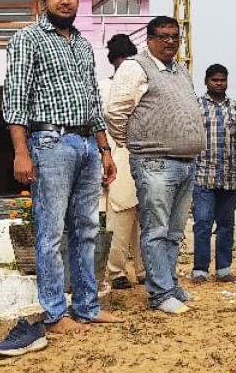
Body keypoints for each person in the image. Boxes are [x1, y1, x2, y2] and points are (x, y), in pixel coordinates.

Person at [0, 0, 121, 356]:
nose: (65, 0)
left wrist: (104, 149)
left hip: (87, 144)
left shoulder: (83, 45)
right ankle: (54, 313)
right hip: (49, 141)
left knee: (87, 228)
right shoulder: (27, 39)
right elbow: (15, 99)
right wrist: (21, 151)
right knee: (50, 232)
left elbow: (93, 102)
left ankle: (87, 306)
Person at [105, 15, 206, 315]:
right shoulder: (135, 67)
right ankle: (160, 294)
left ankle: (169, 284)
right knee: (156, 229)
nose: (170, 41)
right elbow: (115, 112)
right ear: (149, 39)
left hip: (186, 163)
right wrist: (136, 144)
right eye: (163, 36)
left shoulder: (180, 70)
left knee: (174, 232)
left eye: (175, 36)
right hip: (155, 162)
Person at [99, 34, 145, 290]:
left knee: (144, 219)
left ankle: (144, 270)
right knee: (120, 218)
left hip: (141, 157)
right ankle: (116, 272)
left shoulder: (143, 86)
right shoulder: (103, 88)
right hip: (117, 158)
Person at [191, 63, 236, 283]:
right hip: (203, 175)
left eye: (223, 80)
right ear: (207, 82)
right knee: (202, 223)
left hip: (229, 177)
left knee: (226, 225)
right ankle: (200, 269)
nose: (219, 84)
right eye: (215, 80)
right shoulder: (197, 106)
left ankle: (223, 269)